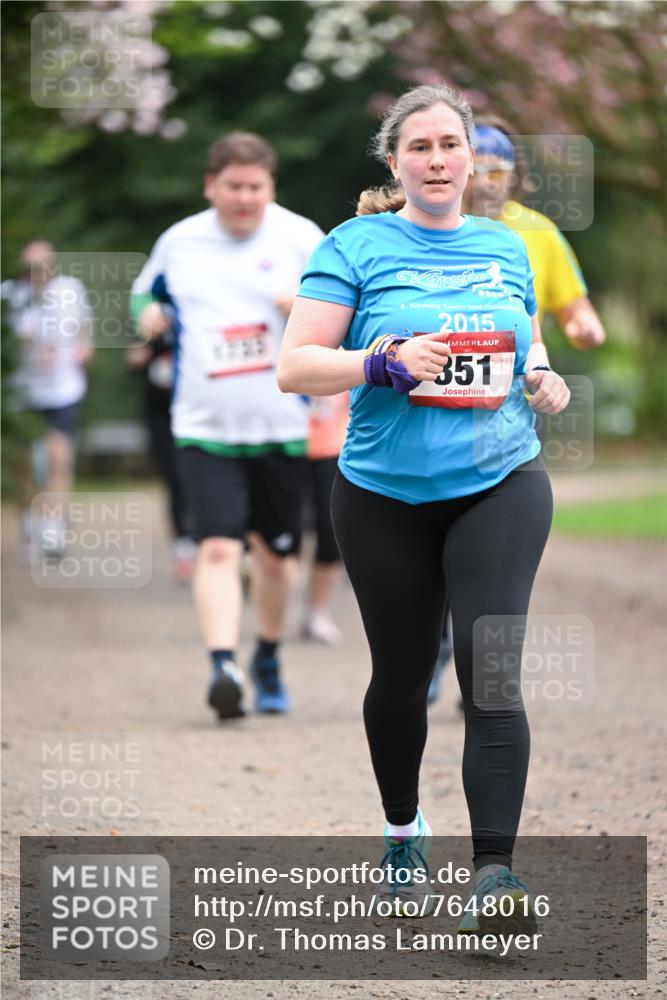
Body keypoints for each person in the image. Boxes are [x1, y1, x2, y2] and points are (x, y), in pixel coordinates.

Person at [278, 85, 570, 930]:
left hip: (501, 481)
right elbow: (295, 367)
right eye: (421, 147)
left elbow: (525, 347)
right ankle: (403, 828)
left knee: (490, 676)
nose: (438, 160)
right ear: (395, 160)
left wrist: (541, 379)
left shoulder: (502, 248)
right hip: (383, 495)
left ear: (471, 158)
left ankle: (494, 876)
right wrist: (381, 361)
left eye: (451, 145)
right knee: (402, 682)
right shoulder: (355, 245)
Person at [131, 132, 324, 720]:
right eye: (233, 186)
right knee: (217, 545)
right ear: (210, 186)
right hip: (203, 424)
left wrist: (306, 307)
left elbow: (348, 308)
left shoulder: (301, 237)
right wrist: (150, 315)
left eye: (255, 187)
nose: (244, 198)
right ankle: (222, 664)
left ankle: (265, 654)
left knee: (274, 557)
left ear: (271, 187)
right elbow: (141, 297)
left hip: (281, 424)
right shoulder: (181, 240)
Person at [427, 117, 607, 706]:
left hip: (510, 411)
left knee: (491, 545)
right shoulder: (425, 229)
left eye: (504, 172)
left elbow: (574, 305)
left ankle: (478, 666)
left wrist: (582, 325)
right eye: (484, 170)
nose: (493, 183)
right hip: (430, 415)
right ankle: (436, 648)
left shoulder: (537, 233)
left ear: (517, 178)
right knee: (435, 539)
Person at [1, 240, 93, 556]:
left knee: (59, 459)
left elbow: (84, 329)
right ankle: (29, 520)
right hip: (23, 393)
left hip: (63, 390)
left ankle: (53, 529)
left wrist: (84, 350)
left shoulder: (70, 290)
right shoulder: (10, 296)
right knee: (23, 465)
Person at [126, 329, 196, 584]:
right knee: (176, 480)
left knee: (198, 479)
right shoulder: (149, 316)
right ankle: (184, 549)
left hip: (197, 415)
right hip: (160, 417)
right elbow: (133, 361)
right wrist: (141, 351)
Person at [301, 392, 349, 645]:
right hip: (283, 443)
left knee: (331, 533)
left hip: (334, 445)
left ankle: (316, 610)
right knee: (285, 537)